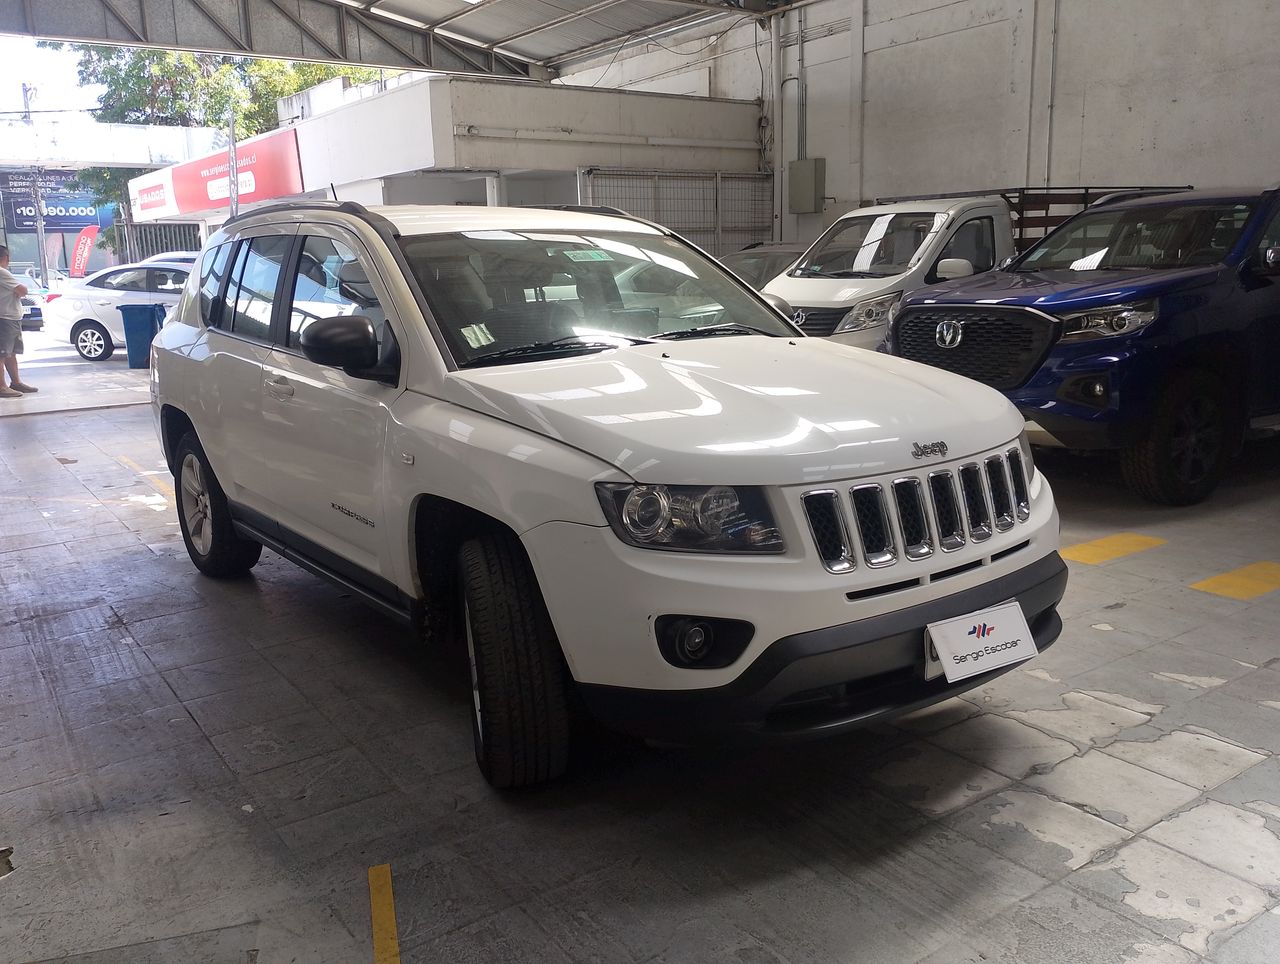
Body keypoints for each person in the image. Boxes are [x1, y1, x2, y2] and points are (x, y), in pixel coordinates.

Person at [0, 245, 37, 398]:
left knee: (11, 353)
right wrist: (19, 291)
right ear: (6, 257)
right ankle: (2, 387)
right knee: (2, 354)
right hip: (5, 318)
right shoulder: (2, 272)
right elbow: (23, 290)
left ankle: (15, 382)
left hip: (10, 317)